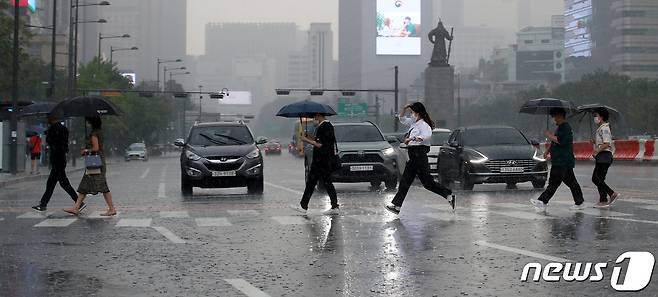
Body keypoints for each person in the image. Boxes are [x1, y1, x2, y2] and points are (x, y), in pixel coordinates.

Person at [385, 102, 455, 215]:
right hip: (413, 155)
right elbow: (402, 119)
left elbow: (427, 136)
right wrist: (404, 108)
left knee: (424, 183)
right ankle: (397, 206)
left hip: (419, 155)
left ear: (417, 113)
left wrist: (412, 139)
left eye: (412, 112)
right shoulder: (413, 123)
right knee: (410, 182)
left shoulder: (424, 125)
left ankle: (448, 193)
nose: (411, 114)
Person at [530, 108, 585, 211]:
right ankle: (579, 201)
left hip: (563, 161)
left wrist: (548, 135)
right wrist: (547, 151)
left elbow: (560, 141)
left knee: (555, 182)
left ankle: (542, 201)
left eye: (554, 116)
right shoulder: (560, 127)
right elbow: (554, 142)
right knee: (571, 183)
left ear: (560, 116)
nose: (553, 119)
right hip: (559, 160)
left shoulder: (565, 127)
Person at [64, 116, 116, 216]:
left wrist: (86, 150)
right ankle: (76, 207)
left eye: (89, 122)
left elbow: (96, 148)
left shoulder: (94, 133)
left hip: (95, 163)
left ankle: (112, 208)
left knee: (102, 185)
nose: (88, 124)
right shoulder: (99, 131)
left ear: (92, 123)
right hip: (98, 161)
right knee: (85, 184)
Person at [291, 113, 340, 215]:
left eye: (315, 116)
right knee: (322, 183)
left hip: (321, 160)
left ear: (319, 115)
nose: (314, 117)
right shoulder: (325, 126)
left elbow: (320, 144)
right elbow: (320, 140)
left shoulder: (325, 126)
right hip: (323, 160)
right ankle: (333, 206)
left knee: (315, 183)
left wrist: (306, 140)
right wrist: (310, 137)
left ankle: (304, 206)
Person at [32, 115, 83, 212]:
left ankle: (78, 202)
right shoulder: (64, 129)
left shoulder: (52, 129)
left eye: (48, 118)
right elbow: (63, 143)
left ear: (52, 119)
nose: (47, 120)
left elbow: (50, 142)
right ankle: (43, 204)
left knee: (61, 183)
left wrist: (48, 134)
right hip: (62, 158)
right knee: (54, 183)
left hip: (56, 159)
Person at [591, 107, 620, 207]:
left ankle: (612, 194)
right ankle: (603, 200)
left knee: (595, 178)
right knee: (599, 179)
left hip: (604, 156)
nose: (595, 118)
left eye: (596, 116)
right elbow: (603, 141)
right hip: (602, 156)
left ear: (601, 117)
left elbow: (607, 143)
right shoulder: (601, 128)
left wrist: (596, 151)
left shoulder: (604, 128)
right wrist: (595, 142)